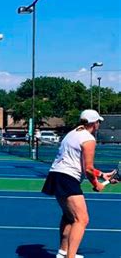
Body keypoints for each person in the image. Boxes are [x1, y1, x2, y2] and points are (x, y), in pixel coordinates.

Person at [41, 110, 118, 258]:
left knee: (69, 216)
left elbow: (83, 165)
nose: (99, 124)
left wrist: (102, 175)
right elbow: (88, 169)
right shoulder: (88, 139)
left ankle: (63, 252)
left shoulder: (72, 133)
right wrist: (97, 184)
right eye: (98, 122)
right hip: (67, 178)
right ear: (94, 123)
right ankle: (71, 256)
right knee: (82, 219)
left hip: (55, 175)